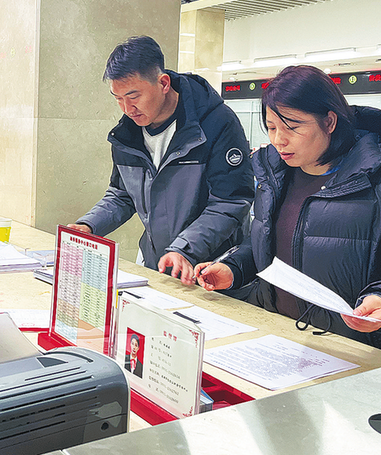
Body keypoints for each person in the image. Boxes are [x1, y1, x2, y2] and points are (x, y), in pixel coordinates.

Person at [196, 65, 381, 348]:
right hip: (278, 337)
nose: (279, 140)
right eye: (271, 128)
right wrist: (233, 267)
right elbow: (273, 244)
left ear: (329, 122)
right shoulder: (275, 175)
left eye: (293, 127)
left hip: (353, 348)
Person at [68, 35, 254, 283]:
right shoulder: (127, 134)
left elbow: (230, 202)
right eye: (118, 99)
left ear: (164, 83)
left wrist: (184, 249)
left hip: (212, 271)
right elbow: (122, 195)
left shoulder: (217, 124)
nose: (127, 109)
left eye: (134, 96)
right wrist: (89, 226)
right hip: (160, 265)